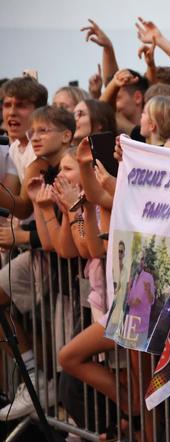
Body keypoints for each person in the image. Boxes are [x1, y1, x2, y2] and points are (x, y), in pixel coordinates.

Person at [0, 105, 76, 420]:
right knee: (64, 353)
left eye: (43, 131)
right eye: (33, 133)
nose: (35, 137)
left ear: (67, 135)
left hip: (68, 269)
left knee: (70, 356)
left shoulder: (70, 168)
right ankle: (33, 377)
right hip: (48, 259)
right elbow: (46, 230)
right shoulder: (43, 168)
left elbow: (63, 238)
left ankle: (72, 417)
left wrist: (20, 236)